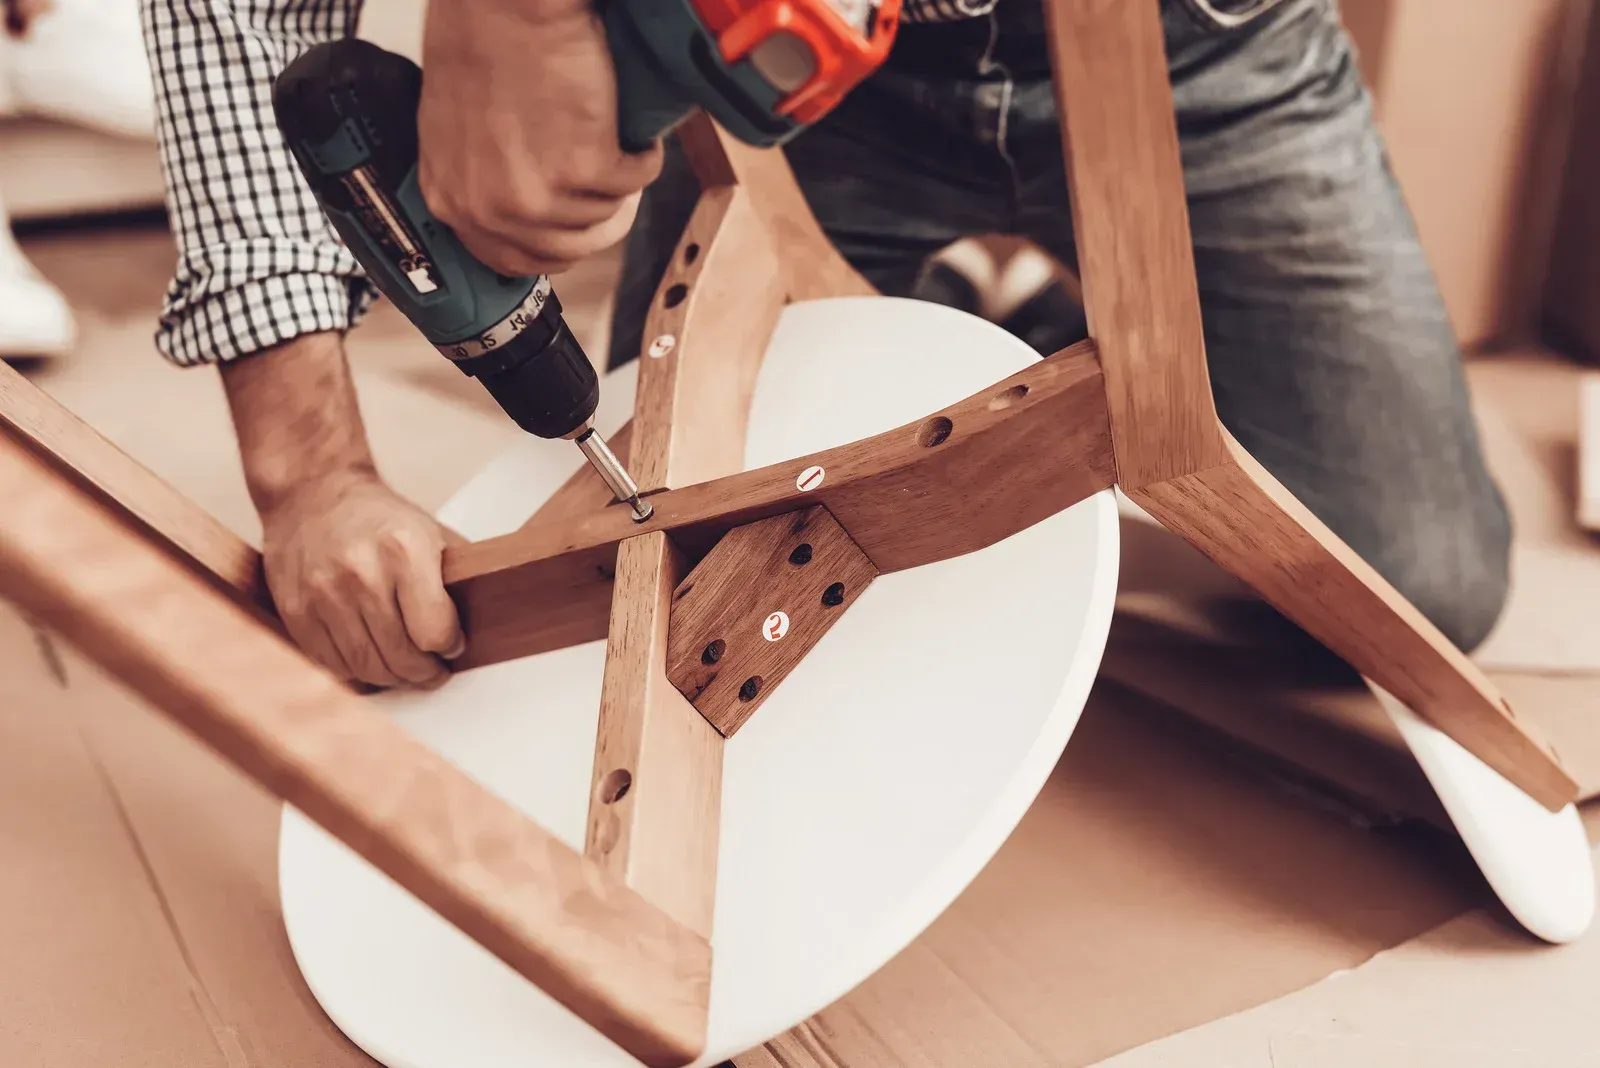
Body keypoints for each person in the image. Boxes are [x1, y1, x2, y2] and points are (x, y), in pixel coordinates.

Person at [140, 0, 1513, 691]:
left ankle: (1015, 346)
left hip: (1203, 46)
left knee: (1422, 578)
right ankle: (1000, 330)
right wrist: (309, 473)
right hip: (812, 90)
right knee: (683, 578)